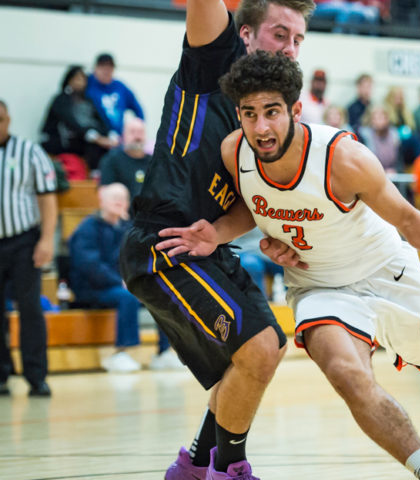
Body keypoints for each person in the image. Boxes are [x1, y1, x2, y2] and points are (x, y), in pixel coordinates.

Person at [157, 51, 420, 480]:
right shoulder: (234, 152)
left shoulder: (343, 158)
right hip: (318, 287)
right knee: (347, 374)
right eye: (249, 114)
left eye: (271, 112)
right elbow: (254, 203)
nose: (260, 127)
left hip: (384, 270)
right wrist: (219, 232)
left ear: (296, 110)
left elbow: (409, 220)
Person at [118, 2, 316, 479]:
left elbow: (255, 201)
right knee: (259, 348)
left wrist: (275, 237)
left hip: (206, 246)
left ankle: (194, 466)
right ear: (245, 34)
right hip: (164, 241)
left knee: (262, 351)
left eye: (298, 41)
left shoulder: (270, 117)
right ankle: (230, 468)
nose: (290, 49)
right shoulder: (216, 59)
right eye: (279, 34)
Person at [69, 184, 183, 372]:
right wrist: (121, 282)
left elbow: (141, 258)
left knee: (161, 293)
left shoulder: (127, 228)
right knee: (126, 297)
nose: (119, 202)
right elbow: (89, 265)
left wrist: (138, 280)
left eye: (123, 198)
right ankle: (122, 352)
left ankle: (163, 352)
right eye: (114, 197)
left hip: (123, 285)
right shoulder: (87, 228)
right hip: (92, 288)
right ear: (101, 200)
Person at [0, 100, 57, 397]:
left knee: (30, 309)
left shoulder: (29, 152)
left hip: (23, 241)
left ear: (8, 118)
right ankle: (1, 375)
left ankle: (37, 376)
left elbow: (47, 199)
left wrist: (46, 240)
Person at [41, 65, 116, 172]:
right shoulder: (61, 100)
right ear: (69, 80)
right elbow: (71, 122)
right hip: (62, 141)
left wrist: (108, 134)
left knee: (107, 147)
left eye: (82, 79)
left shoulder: (88, 100)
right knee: (93, 144)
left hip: (84, 138)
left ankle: (100, 173)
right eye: (77, 78)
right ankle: (94, 172)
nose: (80, 82)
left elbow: (100, 120)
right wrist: (95, 137)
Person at [86, 53, 145, 136]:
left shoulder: (120, 87)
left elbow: (138, 109)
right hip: (96, 138)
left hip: (117, 138)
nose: (106, 71)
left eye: (110, 67)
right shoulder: (88, 84)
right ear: (95, 68)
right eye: (103, 67)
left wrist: (136, 130)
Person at [98, 117, 150, 201]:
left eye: (140, 132)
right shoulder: (111, 160)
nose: (137, 137)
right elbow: (104, 192)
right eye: (132, 132)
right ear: (123, 135)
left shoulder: (155, 162)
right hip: (122, 212)